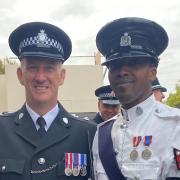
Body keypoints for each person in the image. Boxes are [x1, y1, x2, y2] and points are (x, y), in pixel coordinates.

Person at [0, 22, 96, 180]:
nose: (40, 77)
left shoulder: (88, 134)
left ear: (62, 76)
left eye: (49, 68)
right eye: (32, 67)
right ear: (20, 75)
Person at [92, 17, 180, 179]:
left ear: (153, 72)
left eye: (134, 63)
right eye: (115, 65)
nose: (122, 71)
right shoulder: (102, 134)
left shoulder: (175, 126)